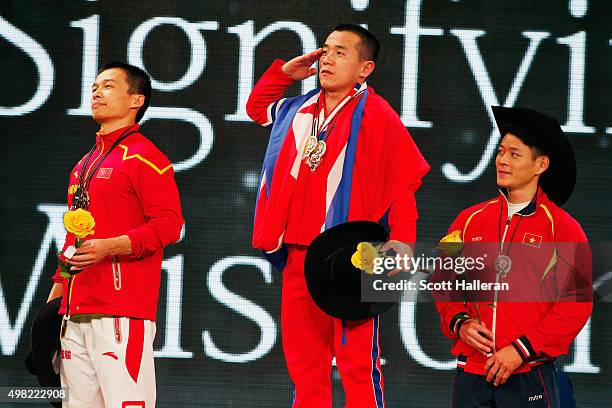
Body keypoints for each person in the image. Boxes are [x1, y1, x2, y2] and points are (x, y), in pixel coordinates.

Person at [246, 24, 429, 407]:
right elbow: (256, 108)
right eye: (325, 50)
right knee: (304, 367)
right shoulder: (298, 108)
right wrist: (285, 74)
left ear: (365, 68)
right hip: (298, 255)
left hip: (354, 256)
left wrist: (402, 240)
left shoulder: (377, 114)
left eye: (340, 52)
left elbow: (402, 183)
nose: (327, 58)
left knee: (358, 366)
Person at [46, 61, 183, 407]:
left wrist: (111, 247)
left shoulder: (147, 159)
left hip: (121, 311)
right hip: (75, 314)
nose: (96, 92)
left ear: (136, 100)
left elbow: (169, 224)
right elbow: (72, 245)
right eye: (94, 86)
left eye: (107, 86)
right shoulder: (83, 165)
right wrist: (50, 314)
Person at [435, 106, 592, 407]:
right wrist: (460, 322)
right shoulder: (468, 220)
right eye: (500, 152)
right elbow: (444, 278)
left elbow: (576, 304)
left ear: (541, 165)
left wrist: (521, 349)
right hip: (472, 374)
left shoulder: (562, 228)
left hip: (529, 373)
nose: (502, 161)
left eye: (514, 154)